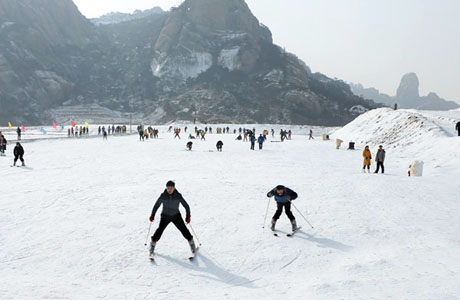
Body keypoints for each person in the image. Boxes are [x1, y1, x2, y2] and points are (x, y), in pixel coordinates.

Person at [148, 181, 196, 258]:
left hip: (176, 216)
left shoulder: (178, 196)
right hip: (165, 216)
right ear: (166, 188)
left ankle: (192, 245)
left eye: (171, 188)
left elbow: (186, 206)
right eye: (168, 188)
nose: (169, 190)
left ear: (174, 188)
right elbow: (156, 205)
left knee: (184, 230)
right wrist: (152, 214)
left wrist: (188, 216)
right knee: (159, 231)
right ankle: (152, 247)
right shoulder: (163, 196)